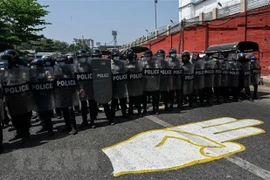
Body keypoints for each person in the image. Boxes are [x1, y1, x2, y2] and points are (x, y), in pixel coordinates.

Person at [1, 50, 33, 144]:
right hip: (11, 97)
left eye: (7, 59)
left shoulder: (21, 68)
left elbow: (27, 79)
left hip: (22, 96)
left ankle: (26, 134)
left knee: (24, 116)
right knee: (14, 117)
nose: (5, 61)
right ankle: (19, 132)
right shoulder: (5, 70)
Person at [30, 58, 54, 136]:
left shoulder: (46, 72)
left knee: (46, 113)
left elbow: (50, 79)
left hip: (45, 95)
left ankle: (50, 129)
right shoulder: (32, 74)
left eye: (36, 66)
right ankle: (44, 126)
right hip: (37, 95)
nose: (35, 68)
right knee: (39, 113)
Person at [54, 55, 78, 135]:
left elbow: (75, 79)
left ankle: (73, 127)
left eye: (62, 62)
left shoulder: (70, 70)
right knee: (64, 110)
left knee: (70, 110)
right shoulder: (57, 70)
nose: (61, 64)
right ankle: (67, 125)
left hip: (70, 92)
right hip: (61, 93)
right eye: (59, 62)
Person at [110, 49, 129, 119]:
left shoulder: (121, 63)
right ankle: (112, 116)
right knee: (114, 102)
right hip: (113, 85)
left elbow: (124, 72)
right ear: (112, 56)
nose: (116, 57)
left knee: (123, 101)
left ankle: (124, 114)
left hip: (121, 85)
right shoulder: (109, 64)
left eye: (117, 55)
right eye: (115, 56)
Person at [126, 49, 143, 117]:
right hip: (130, 84)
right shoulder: (126, 64)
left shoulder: (137, 63)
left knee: (137, 100)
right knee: (131, 100)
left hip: (137, 84)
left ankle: (139, 112)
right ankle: (130, 111)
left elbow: (140, 72)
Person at [142, 50, 160, 115]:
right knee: (145, 99)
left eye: (148, 56)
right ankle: (144, 109)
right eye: (146, 56)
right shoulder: (143, 64)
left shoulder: (156, 64)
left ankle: (155, 109)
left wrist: (158, 84)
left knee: (155, 99)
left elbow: (158, 75)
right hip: (146, 85)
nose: (147, 58)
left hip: (154, 84)